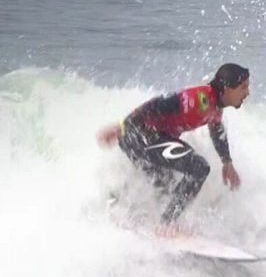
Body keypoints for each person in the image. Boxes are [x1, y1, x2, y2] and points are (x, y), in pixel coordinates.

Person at [97, 63, 250, 237]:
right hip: (140, 136)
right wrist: (122, 126)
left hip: (148, 138)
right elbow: (158, 104)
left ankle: (130, 213)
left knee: (166, 184)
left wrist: (227, 162)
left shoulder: (215, 105)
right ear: (226, 88)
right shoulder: (201, 99)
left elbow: (216, 129)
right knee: (199, 168)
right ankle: (166, 224)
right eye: (243, 87)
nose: (247, 93)